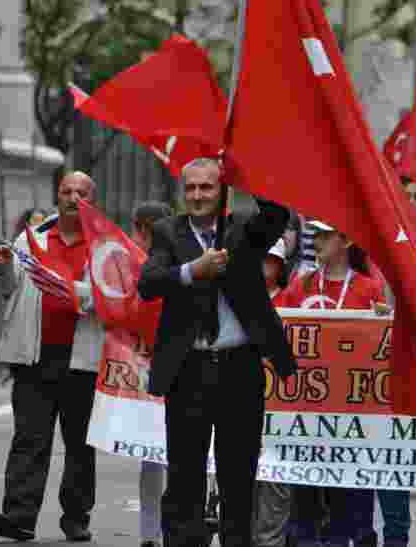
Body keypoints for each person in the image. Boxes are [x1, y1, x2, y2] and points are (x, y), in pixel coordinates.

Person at [138, 157, 297, 547]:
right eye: (191, 188)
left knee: (237, 476)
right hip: (188, 370)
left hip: (239, 369)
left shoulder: (243, 227)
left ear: (221, 190)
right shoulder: (167, 232)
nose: (197, 196)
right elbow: (148, 283)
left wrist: (249, 169)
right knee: (184, 476)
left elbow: (277, 214)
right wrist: (194, 269)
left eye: (207, 187)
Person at [0, 171, 105, 542]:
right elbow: (9, 291)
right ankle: (19, 517)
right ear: (57, 196)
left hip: (83, 362)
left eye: (80, 193)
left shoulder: (104, 246)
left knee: (80, 446)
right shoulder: (31, 238)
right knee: (29, 440)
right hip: (34, 357)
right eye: (66, 191)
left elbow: (113, 297)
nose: (72, 198)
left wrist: (71, 291)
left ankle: (76, 517)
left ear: (92, 200)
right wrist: (4, 265)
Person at [277, 222, 387, 547]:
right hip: (305, 410)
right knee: (305, 504)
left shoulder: (369, 289)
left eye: (325, 235)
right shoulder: (302, 284)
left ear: (347, 240)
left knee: (345, 503)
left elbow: (381, 350)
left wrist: (383, 321)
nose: (317, 240)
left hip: (351, 416)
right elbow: (276, 323)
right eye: (315, 234)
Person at [132, 200, 175, 547]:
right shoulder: (130, 263)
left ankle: (156, 532)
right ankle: (154, 532)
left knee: (159, 456)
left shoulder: (163, 262)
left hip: (166, 366)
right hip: (147, 367)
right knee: (155, 455)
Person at [251, 239, 292, 547]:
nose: (265, 263)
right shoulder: (236, 297)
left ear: (281, 265)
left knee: (274, 486)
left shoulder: (294, 299)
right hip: (240, 406)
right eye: (260, 256)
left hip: (283, 416)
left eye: (272, 258)